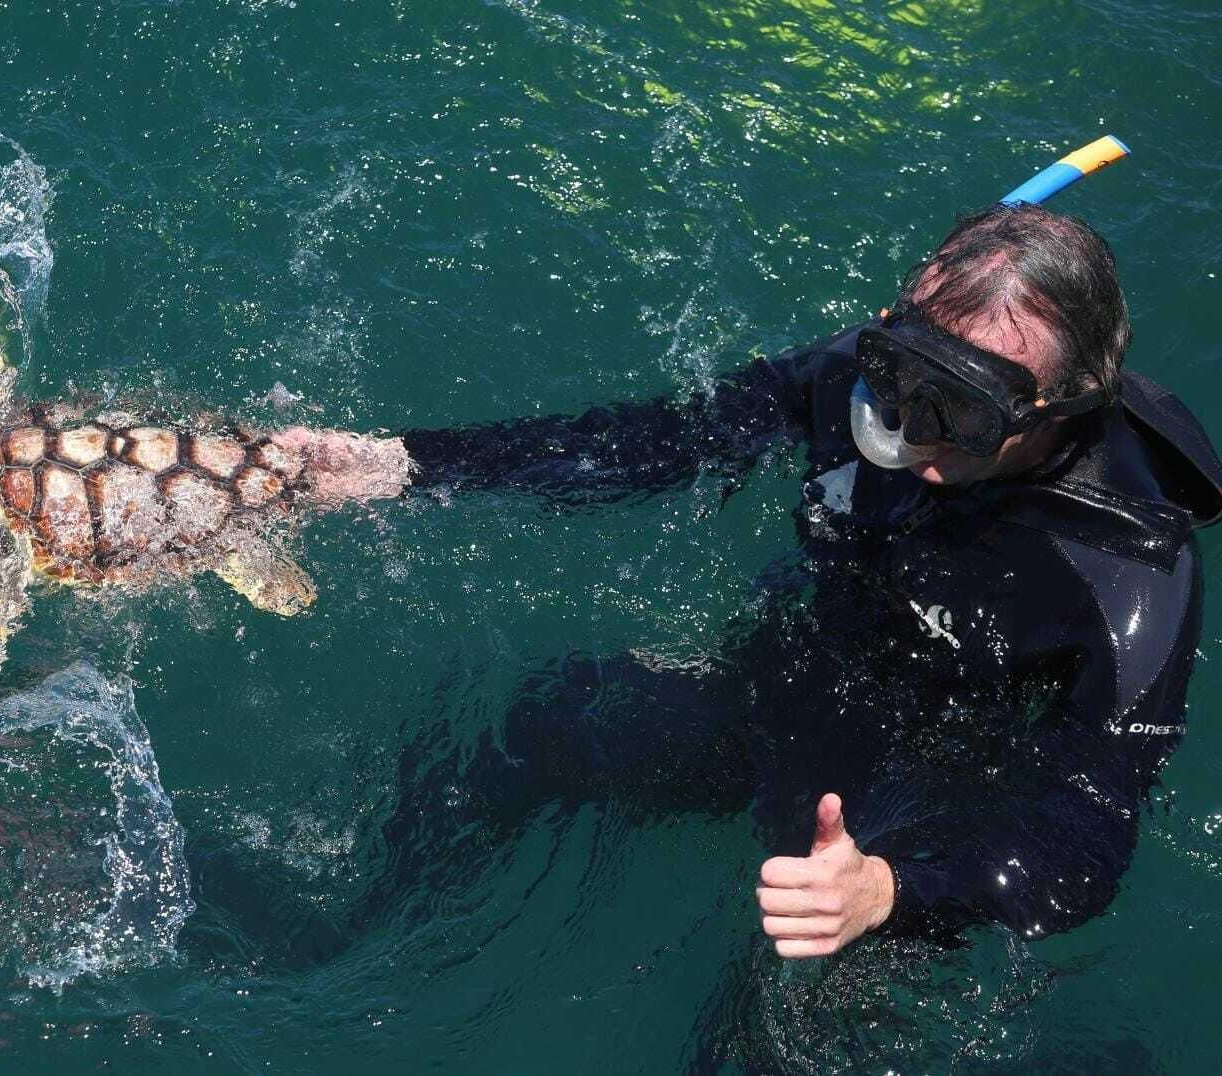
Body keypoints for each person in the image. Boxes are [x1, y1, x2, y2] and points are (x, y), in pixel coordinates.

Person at [286, 203, 1222, 956]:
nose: (908, 431)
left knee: (780, 1017)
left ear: (1063, 409)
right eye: (899, 374)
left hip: (913, 802)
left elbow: (1086, 836)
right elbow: (649, 441)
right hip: (785, 673)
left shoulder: (1129, 572)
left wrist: (890, 893)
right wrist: (396, 466)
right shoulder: (862, 382)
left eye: (962, 414)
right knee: (543, 720)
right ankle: (351, 939)